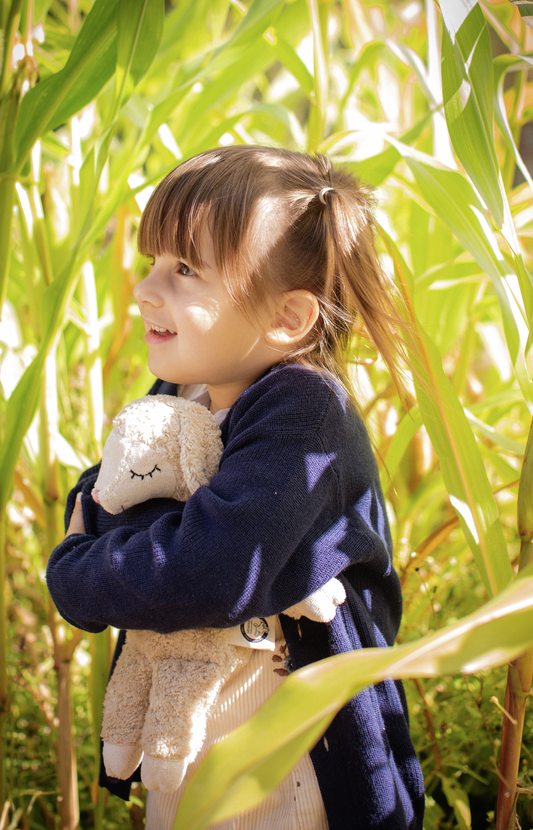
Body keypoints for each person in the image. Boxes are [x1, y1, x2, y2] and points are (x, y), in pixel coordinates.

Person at [47, 145, 425, 830]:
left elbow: (209, 571)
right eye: (154, 263)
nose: (145, 289)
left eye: (185, 270)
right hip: (195, 733)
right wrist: (136, 524)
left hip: (281, 754)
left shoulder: (306, 416)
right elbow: (106, 490)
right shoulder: (189, 384)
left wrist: (77, 572)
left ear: (287, 318)